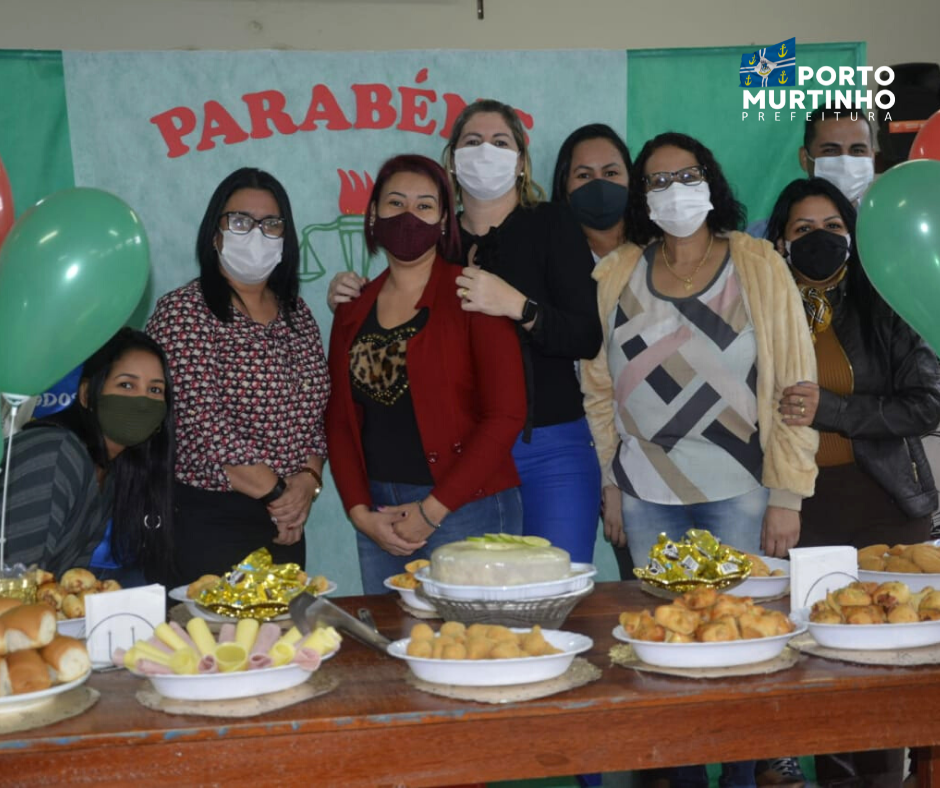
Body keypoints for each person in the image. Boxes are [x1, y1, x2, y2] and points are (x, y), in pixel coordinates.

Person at [327, 101, 604, 564]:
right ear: (452, 159)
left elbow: (585, 337)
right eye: (472, 142)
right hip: (462, 453)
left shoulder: (552, 224)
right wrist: (353, 293)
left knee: (556, 587)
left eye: (500, 142)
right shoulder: (435, 236)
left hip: (549, 445)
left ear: (520, 161)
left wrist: (516, 306)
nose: (485, 151)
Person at [325, 154, 526, 594]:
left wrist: (433, 510)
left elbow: (507, 415)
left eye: (424, 206)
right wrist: (360, 512)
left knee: (474, 654)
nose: (408, 216)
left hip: (466, 509)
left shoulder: (475, 295)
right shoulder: (352, 308)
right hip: (380, 519)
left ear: (442, 222)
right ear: (373, 214)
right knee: (391, 655)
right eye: (395, 204)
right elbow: (339, 420)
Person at [147, 167, 330, 586]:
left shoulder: (297, 315)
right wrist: (280, 496)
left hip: (287, 523)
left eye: (271, 224)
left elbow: (315, 416)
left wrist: (307, 483)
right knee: (214, 650)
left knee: (277, 650)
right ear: (215, 233)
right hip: (208, 522)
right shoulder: (183, 312)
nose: (256, 234)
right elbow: (201, 423)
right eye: (241, 222)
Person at [3, 328, 175, 585]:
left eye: (154, 390)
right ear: (86, 394)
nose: (142, 401)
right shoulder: (55, 451)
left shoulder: (109, 471)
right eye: (126, 385)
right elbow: (15, 578)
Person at [550, 123, 634, 579]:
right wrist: (609, 481)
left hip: (654, 461)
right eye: (583, 175)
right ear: (564, 186)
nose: (598, 184)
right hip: (571, 455)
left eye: (611, 172)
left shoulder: (662, 258)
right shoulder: (546, 264)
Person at [749, 108, 875, 239]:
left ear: (872, 158)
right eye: (830, 151)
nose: (845, 163)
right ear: (804, 158)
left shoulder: (888, 229)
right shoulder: (758, 239)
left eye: (857, 150)